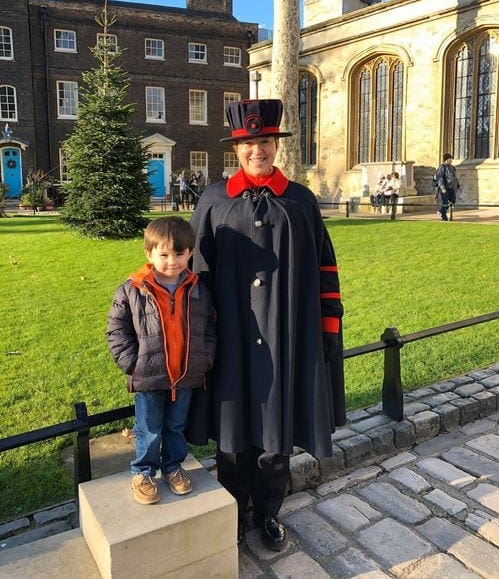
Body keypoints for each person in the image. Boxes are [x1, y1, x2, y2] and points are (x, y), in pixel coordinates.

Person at [187, 99, 345, 550]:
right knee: (233, 438)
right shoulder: (214, 200)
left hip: (287, 336)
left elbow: (325, 269)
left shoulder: (300, 201)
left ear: (276, 145)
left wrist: (327, 331)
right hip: (233, 338)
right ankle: (234, 514)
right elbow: (194, 271)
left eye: (265, 142)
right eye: (248, 143)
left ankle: (269, 512)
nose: (257, 150)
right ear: (237, 148)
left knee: (276, 439)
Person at [106, 216, 216, 505]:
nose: (172, 262)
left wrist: (204, 360)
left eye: (179, 254)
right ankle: (143, 471)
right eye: (164, 254)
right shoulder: (133, 289)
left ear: (189, 253)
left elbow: (209, 328)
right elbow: (117, 330)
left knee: (176, 426)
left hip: (185, 375)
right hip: (150, 376)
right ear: (149, 254)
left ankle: (172, 466)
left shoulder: (198, 289)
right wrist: (134, 364)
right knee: (149, 428)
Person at [436, 153, 460, 221]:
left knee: (453, 200)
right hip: (445, 188)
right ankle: (444, 217)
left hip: (451, 187)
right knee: (445, 202)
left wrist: (457, 184)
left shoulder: (452, 167)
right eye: (450, 159)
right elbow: (439, 178)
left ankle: (441, 211)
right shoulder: (442, 167)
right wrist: (442, 187)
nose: (451, 160)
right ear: (446, 160)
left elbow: (454, 177)